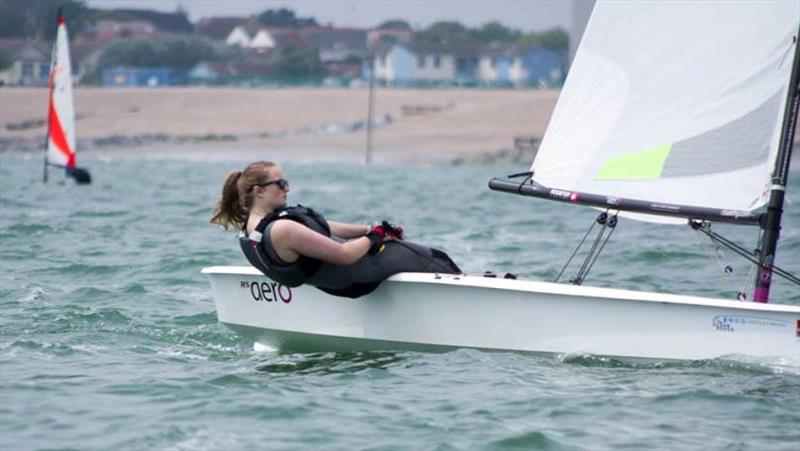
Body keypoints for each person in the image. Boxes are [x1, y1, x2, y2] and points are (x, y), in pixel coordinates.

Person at [210, 161, 461, 298]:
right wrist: (377, 236)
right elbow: (345, 256)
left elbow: (322, 228)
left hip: (334, 281)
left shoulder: (250, 229)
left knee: (383, 244)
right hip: (353, 278)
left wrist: (366, 228)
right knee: (438, 258)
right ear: (259, 190)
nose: (287, 188)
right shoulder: (282, 229)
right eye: (281, 183)